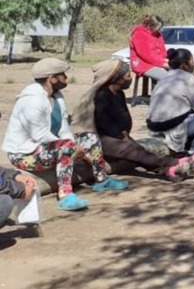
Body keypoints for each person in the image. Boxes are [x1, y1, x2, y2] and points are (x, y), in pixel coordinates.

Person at [2, 58, 128, 211]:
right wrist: (72, 148)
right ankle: (65, 195)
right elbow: (40, 135)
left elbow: (63, 128)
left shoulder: (57, 96)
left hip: (48, 146)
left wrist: (75, 145)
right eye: (62, 74)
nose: (66, 78)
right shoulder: (31, 101)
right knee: (67, 147)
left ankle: (101, 180)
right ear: (52, 78)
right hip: (24, 153)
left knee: (90, 138)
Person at [73, 59, 194, 182]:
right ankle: (172, 162)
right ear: (117, 78)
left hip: (117, 136)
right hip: (99, 140)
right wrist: (121, 136)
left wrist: (125, 133)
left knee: (139, 150)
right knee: (132, 150)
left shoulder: (119, 94)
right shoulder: (101, 96)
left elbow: (124, 117)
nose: (130, 79)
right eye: (127, 76)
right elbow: (104, 123)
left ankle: (168, 170)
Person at [147, 49, 194, 159]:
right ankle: (192, 151)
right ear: (184, 64)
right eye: (192, 61)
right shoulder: (187, 78)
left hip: (154, 127)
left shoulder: (164, 77)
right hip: (171, 128)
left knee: (191, 114)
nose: (193, 64)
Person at [129, 14, 169, 82]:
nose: (159, 30)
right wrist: (163, 63)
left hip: (156, 61)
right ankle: (160, 92)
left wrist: (166, 60)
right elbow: (146, 56)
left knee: (178, 73)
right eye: (158, 28)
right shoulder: (139, 34)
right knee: (167, 78)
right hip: (143, 64)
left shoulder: (157, 34)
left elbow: (163, 50)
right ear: (150, 26)